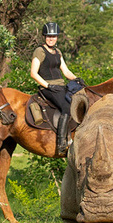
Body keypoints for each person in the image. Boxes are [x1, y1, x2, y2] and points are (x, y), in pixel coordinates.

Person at [30, 21, 79, 157]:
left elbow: (66, 71)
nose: (51, 39)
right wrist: (48, 85)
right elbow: (33, 73)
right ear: (44, 37)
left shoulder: (58, 52)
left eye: (54, 36)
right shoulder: (40, 51)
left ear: (57, 37)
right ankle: (61, 143)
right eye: (48, 36)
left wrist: (77, 79)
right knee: (67, 107)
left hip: (60, 86)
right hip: (47, 87)